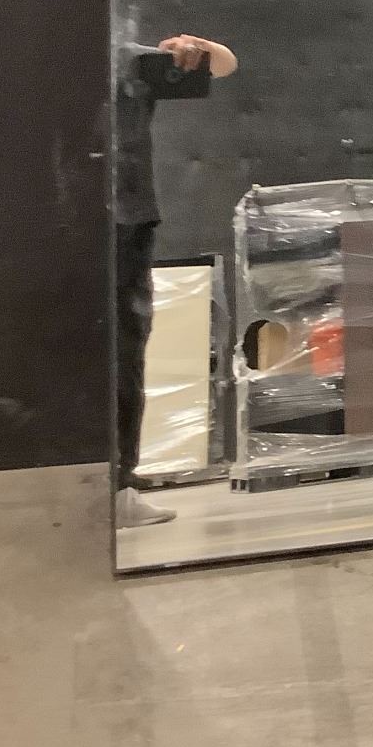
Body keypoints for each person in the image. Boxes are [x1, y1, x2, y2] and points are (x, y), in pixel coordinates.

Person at [115, 33, 238, 529]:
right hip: (82, 218)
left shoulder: (127, 60)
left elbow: (222, 64)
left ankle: (120, 485)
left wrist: (193, 46)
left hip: (125, 220)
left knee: (125, 354)